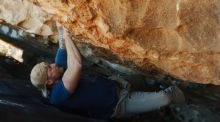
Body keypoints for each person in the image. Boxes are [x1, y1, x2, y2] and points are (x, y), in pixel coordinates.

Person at [30, 25, 185, 119]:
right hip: (119, 104)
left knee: (144, 81)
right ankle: (184, 95)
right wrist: (68, 36)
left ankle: (158, 89)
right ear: (49, 82)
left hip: (117, 83)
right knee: (165, 97)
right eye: (49, 68)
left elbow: (62, 45)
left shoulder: (58, 69)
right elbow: (76, 64)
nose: (52, 65)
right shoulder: (58, 96)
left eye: (49, 64)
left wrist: (61, 23)